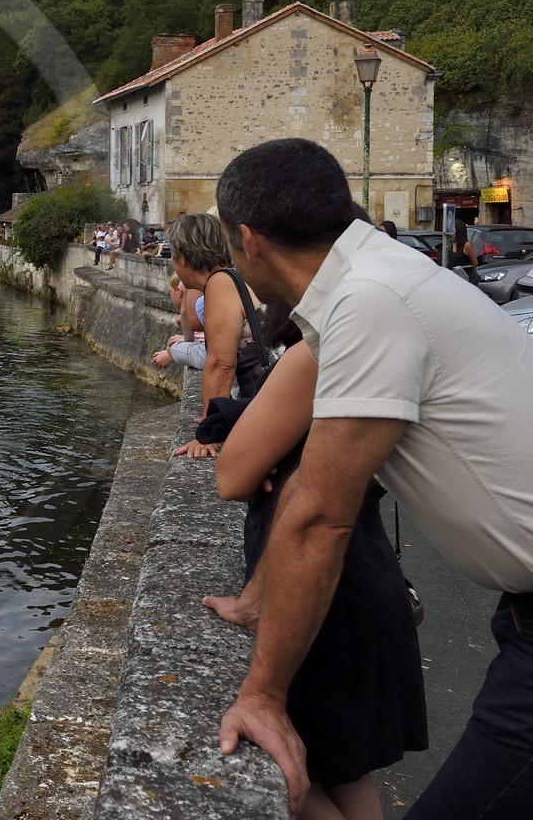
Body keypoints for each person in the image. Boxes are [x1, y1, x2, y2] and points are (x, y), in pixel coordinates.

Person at [211, 137, 533, 820]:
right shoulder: (378, 278)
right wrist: (254, 598)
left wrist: (263, 695)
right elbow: (314, 481)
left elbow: (323, 515)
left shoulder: (371, 299)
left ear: (248, 241)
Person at [200, 311, 426, 819]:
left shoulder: (319, 353)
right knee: (343, 769)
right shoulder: (373, 344)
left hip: (323, 586)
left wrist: (264, 449)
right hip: (364, 567)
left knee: (290, 779)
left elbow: (232, 476)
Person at [167, 212, 263, 458]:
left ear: (184, 259)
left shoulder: (220, 284)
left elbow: (221, 363)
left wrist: (209, 433)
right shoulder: (238, 275)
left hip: (264, 400)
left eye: (172, 257)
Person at [151, 272, 206, 373]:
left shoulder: (190, 280)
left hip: (208, 354)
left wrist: (170, 353)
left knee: (171, 346)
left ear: (179, 291)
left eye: (170, 291)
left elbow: (189, 317)